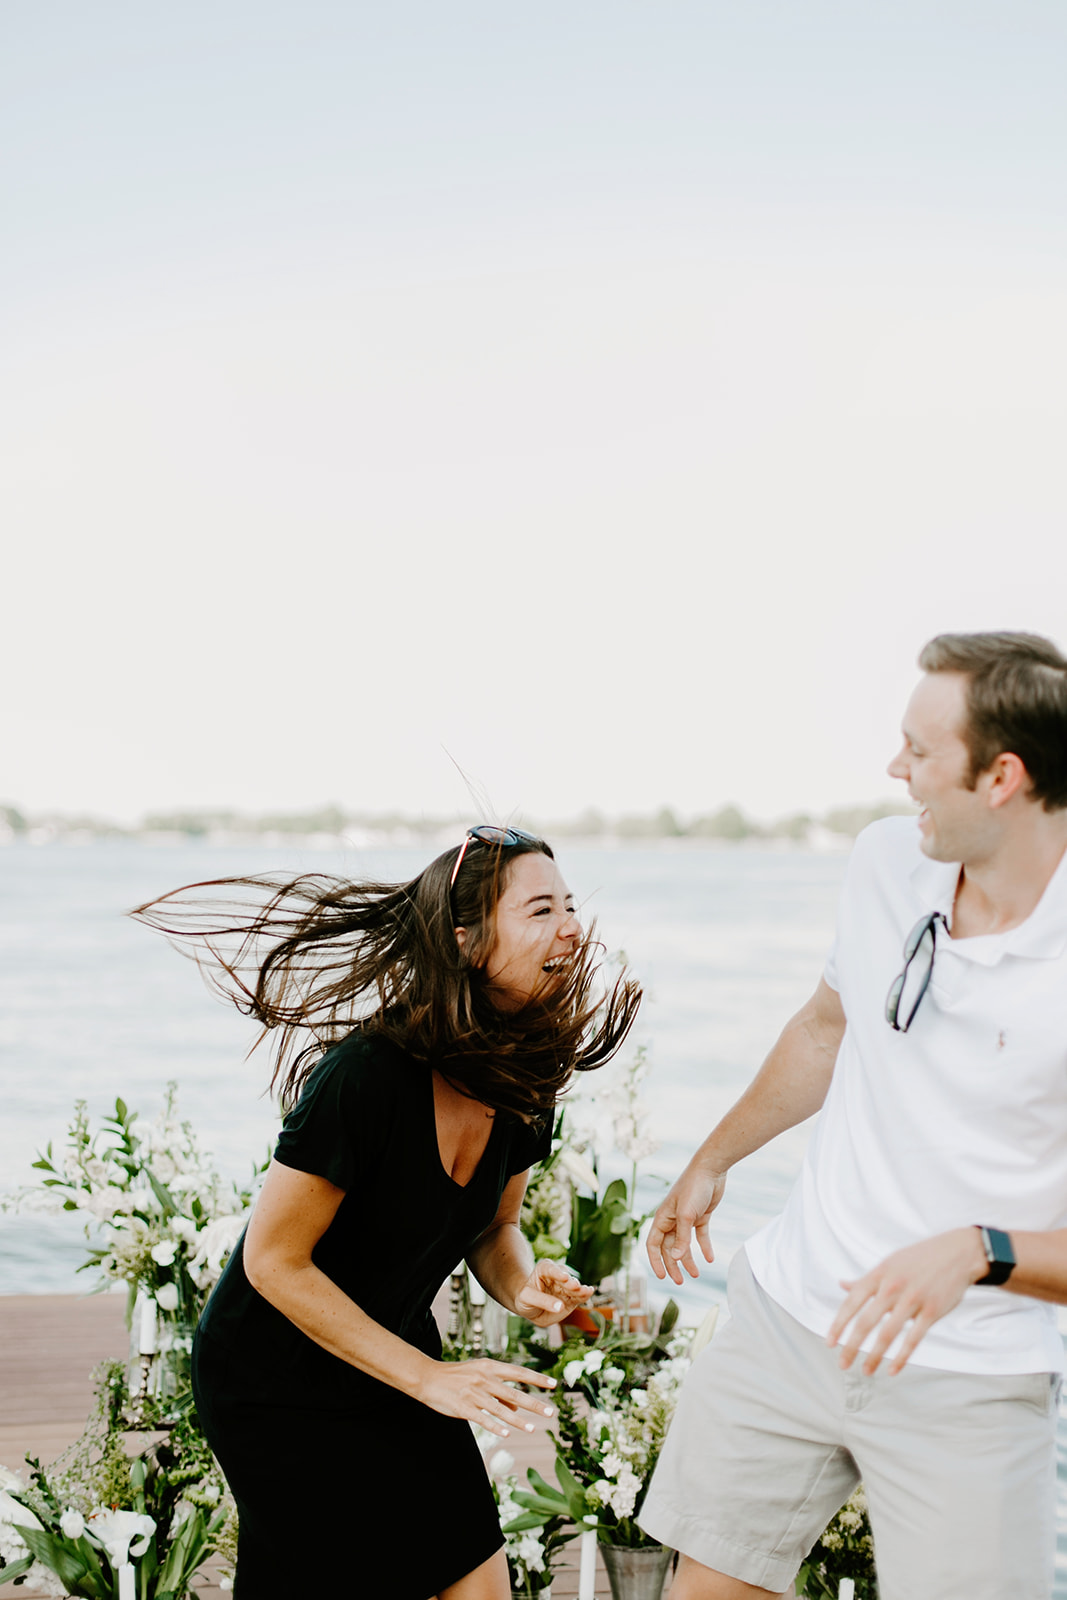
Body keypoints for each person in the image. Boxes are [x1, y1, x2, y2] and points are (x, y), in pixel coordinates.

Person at [639, 631, 1067, 1600]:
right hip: (785, 1319)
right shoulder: (886, 859)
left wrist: (978, 1248)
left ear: (1000, 775)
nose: (892, 770)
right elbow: (827, 1027)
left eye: (916, 751)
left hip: (968, 1378)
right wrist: (714, 1158)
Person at [133, 826, 641, 1600]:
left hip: (401, 1359)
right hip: (274, 1375)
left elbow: (492, 1227)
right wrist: (428, 1379)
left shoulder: (525, 1080)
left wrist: (523, 1288)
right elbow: (274, 1262)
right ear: (467, 943)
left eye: (568, 906)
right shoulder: (365, 1077)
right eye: (541, 910)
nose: (571, 927)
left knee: (475, 1581)